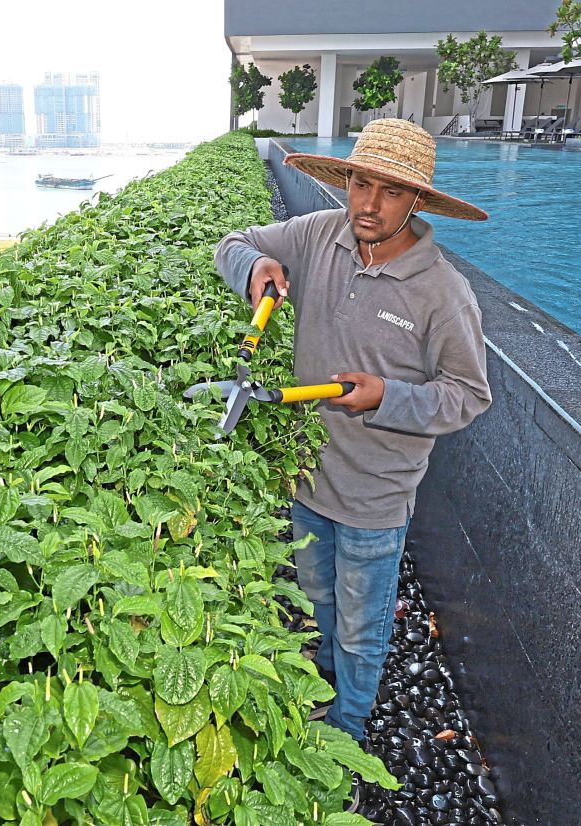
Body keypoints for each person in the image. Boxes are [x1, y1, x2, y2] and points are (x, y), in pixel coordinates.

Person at [213, 118, 493, 749]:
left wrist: (386, 397)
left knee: (362, 631)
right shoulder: (318, 236)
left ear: (416, 201)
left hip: (376, 498)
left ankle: (345, 740)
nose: (367, 204)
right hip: (308, 478)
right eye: (360, 183)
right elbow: (232, 241)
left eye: (389, 191)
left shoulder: (444, 295)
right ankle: (320, 698)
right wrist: (256, 266)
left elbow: (469, 396)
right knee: (319, 604)